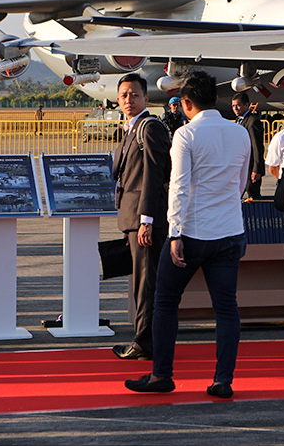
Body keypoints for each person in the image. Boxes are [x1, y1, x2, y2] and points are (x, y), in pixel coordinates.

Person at [124, 70, 251, 398]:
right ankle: (223, 379)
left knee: (165, 301)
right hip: (229, 230)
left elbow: (179, 186)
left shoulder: (185, 135)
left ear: (186, 103)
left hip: (193, 231)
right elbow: (240, 184)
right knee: (226, 307)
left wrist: (176, 233)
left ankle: (162, 374)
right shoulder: (239, 133)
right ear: (217, 99)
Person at [111, 73, 171, 361]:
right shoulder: (130, 129)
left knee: (146, 284)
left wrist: (146, 218)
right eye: (123, 95)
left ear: (146, 98)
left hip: (143, 219)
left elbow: (154, 174)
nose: (128, 100)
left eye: (134, 95)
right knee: (140, 282)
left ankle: (144, 342)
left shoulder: (149, 128)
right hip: (132, 217)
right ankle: (146, 339)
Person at [231, 92, 265, 201]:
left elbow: (257, 147)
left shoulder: (252, 122)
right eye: (233, 106)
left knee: (253, 197)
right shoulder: (239, 120)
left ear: (247, 105)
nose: (235, 108)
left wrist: (256, 169)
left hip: (250, 168)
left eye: (238, 105)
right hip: (241, 167)